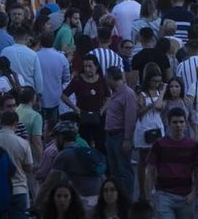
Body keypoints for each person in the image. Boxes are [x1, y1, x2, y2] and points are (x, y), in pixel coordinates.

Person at [50, 121, 106, 209]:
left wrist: (35, 205)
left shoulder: (64, 155)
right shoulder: (84, 150)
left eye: (55, 138)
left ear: (61, 137)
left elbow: (48, 184)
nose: (55, 142)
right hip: (100, 200)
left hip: (84, 203)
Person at [103, 66, 138, 201]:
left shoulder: (127, 94)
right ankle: (117, 199)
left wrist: (127, 139)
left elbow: (130, 118)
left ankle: (127, 199)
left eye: (107, 77)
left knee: (124, 170)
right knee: (115, 171)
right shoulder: (114, 93)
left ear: (112, 78)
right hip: (110, 135)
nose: (105, 80)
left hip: (120, 135)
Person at [0, 110, 34, 219]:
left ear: (0, 122)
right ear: (16, 123)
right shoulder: (22, 142)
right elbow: (29, 167)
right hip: (19, 189)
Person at [133, 66, 166, 201]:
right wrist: (150, 105)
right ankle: (142, 191)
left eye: (158, 81)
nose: (156, 84)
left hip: (157, 125)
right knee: (143, 159)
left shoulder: (159, 92)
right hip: (145, 126)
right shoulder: (142, 94)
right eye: (154, 81)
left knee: (157, 159)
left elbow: (161, 108)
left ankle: (154, 188)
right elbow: (138, 112)